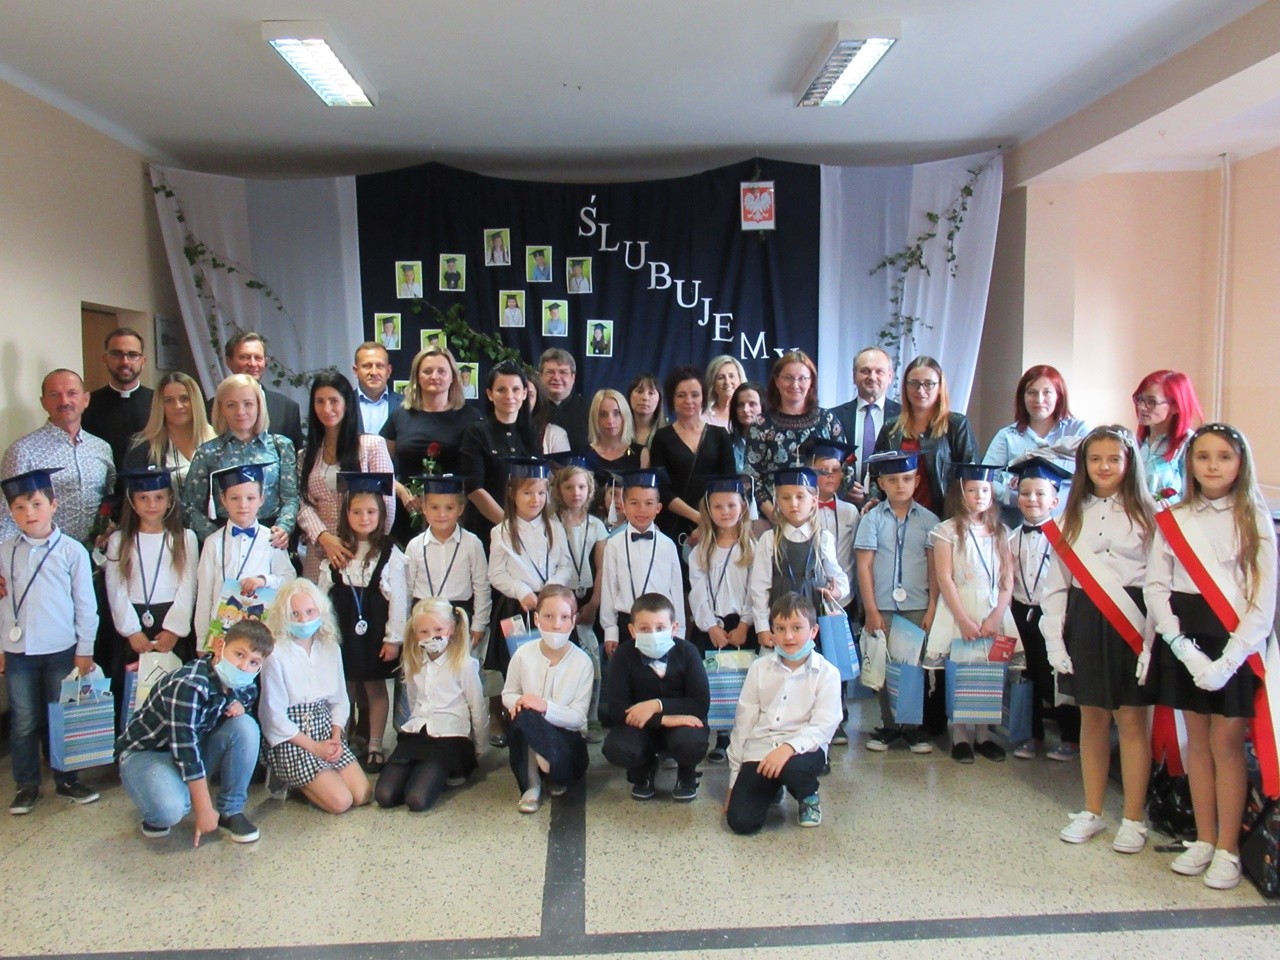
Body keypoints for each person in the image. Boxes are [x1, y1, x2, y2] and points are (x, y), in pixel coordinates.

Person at [1145, 423, 1277, 890]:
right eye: (1203, 457)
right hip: (1187, 639)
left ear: (1240, 463)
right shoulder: (1175, 517)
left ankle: (1227, 849)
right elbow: (1156, 586)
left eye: (1224, 457)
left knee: (1226, 745)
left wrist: (1228, 660)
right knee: (1195, 744)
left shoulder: (1253, 518)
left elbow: (1263, 600)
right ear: (1190, 463)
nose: (1213, 466)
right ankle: (1202, 838)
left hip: (1234, 642)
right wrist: (1181, 646)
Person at [1041, 426, 1157, 854]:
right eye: (1095, 459)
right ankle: (1092, 810)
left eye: (1113, 459)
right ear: (1083, 465)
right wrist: (1054, 640)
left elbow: (1159, 582)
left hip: (1133, 620)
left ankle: (1134, 818)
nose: (1104, 467)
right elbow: (1056, 584)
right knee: (1092, 718)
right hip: (1086, 618)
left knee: (1131, 721)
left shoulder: (1150, 515)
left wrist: (1152, 641)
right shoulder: (1071, 515)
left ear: (1129, 463)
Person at [117, 619, 273, 843]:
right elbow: (186, 750)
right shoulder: (190, 685)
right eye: (239, 654)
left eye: (253, 662)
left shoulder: (243, 682)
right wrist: (204, 809)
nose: (243, 666)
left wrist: (239, 704)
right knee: (170, 810)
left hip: (190, 747)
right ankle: (157, 813)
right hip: (148, 752)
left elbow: (249, 694)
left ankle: (231, 810)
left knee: (245, 726)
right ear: (219, 646)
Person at [0, 467, 101, 814]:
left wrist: (85, 650)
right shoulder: (5, 551)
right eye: (19, 507)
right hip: (19, 651)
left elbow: (86, 605)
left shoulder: (72, 551)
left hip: (62, 650)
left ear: (53, 504)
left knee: (63, 716)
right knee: (24, 720)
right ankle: (26, 784)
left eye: (36, 504)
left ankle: (67, 779)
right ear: (10, 512)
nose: (29, 513)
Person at [725, 593, 841, 834]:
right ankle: (773, 785)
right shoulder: (759, 668)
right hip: (761, 748)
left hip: (803, 751)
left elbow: (824, 726)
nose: (788, 636)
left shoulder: (827, 673)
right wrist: (733, 783)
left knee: (794, 770)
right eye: (780, 628)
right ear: (772, 633)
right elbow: (743, 723)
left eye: (797, 628)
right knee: (741, 823)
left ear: (813, 631)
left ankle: (807, 795)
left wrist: (787, 749)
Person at [925, 463, 1018, 763]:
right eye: (972, 490)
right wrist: (963, 620)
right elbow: (944, 578)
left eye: (985, 490)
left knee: (990, 673)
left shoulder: (1000, 532)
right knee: (962, 672)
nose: (980, 496)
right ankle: (960, 735)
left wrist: (996, 616)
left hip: (992, 610)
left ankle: (983, 735)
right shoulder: (946, 531)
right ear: (960, 493)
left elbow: (1007, 580)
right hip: (959, 609)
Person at [259, 579, 371, 814]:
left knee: (362, 794)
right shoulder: (275, 654)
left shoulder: (330, 647)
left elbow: (339, 699)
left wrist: (336, 737)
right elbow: (274, 717)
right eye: (295, 614)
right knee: (341, 802)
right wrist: (314, 748)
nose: (304, 620)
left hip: (325, 729)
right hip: (294, 737)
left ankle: (319, 780)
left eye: (310, 612)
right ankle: (291, 780)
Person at [322, 473, 407, 773]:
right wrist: (322, 634)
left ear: (381, 514)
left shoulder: (391, 553)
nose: (364, 518)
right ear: (346, 514)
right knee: (343, 688)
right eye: (356, 511)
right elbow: (322, 596)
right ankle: (341, 741)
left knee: (374, 687)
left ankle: (374, 744)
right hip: (342, 632)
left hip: (374, 633)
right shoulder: (337, 550)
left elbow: (399, 599)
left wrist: (394, 638)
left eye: (371, 511)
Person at [855, 452, 939, 753]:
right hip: (884, 606)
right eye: (892, 480)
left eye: (906, 479)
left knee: (913, 668)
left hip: (917, 605)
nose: (900, 485)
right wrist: (871, 609)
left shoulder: (930, 521)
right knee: (885, 665)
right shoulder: (872, 519)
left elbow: (935, 568)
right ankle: (889, 726)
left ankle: (913, 728)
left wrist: (932, 607)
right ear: (881, 483)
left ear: (917, 481)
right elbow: (864, 566)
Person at [104, 467, 198, 723]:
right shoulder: (120, 540)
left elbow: (188, 586)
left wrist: (174, 630)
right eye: (143, 498)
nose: (152, 504)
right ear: (132, 501)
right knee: (133, 696)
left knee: (173, 694)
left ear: (170, 499)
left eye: (159, 497)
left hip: (170, 624)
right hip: (133, 626)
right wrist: (131, 631)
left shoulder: (184, 538)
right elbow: (116, 588)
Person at [375, 598, 487, 812]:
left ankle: (444, 771)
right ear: (415, 633)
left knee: (416, 799)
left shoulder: (465, 664)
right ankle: (420, 769)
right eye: (423, 632)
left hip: (450, 737)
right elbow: (412, 700)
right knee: (384, 795)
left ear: (451, 628)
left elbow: (477, 708)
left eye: (438, 630)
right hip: (418, 732)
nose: (431, 637)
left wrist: (478, 749)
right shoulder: (413, 661)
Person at [1005, 455, 1080, 762]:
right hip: (1021, 612)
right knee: (1028, 675)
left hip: (1055, 615)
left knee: (1057, 675)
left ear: (1055, 500)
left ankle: (1070, 737)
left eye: (1040, 493)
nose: (1031, 499)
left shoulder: (1066, 538)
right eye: (1025, 493)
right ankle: (1031, 734)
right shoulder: (1010, 538)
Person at [603, 592, 709, 802]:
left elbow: (700, 703)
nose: (653, 634)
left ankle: (686, 773)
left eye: (660, 628)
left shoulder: (688, 652)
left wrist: (656, 705)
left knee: (691, 742)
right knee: (617, 748)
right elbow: (617, 709)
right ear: (632, 630)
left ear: (674, 628)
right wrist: (664, 719)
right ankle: (644, 770)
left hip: (682, 726)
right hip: (640, 727)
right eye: (644, 629)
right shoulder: (622, 656)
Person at [296, 371, 395, 583]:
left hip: (363, 551)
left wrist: (371, 545)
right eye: (320, 401)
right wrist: (324, 537)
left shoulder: (371, 446)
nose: (327, 409)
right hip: (320, 550)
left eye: (334, 401)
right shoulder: (306, 455)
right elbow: (303, 503)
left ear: (347, 404)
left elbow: (387, 502)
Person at [502, 586, 593, 813]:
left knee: (533, 715)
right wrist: (522, 702)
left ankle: (552, 769)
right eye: (548, 616)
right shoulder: (523, 654)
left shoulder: (583, 662)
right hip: (530, 729)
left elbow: (578, 717)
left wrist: (545, 707)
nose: (556, 625)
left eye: (564, 617)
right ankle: (531, 786)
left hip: (566, 739)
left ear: (573, 620)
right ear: (536, 618)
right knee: (526, 717)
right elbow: (508, 693)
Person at [182, 374, 299, 548]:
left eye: (248, 404)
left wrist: (283, 528)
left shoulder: (281, 446)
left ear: (259, 405)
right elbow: (190, 506)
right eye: (231, 405)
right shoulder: (208, 452)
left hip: (270, 538)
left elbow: (291, 498)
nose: (240, 411)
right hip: (223, 540)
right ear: (221, 408)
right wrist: (215, 538)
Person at [0, 370, 114, 544]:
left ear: (86, 399)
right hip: (43, 554)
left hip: (94, 553)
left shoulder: (101, 448)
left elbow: (109, 500)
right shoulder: (22, 451)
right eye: (54, 395)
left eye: (72, 393)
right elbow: (6, 516)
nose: (64, 401)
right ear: (43, 402)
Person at [688, 475, 756, 762]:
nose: (725, 512)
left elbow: (755, 590)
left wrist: (745, 624)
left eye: (731, 505)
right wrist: (711, 626)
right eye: (717, 506)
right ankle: (721, 735)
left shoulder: (752, 548)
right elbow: (698, 593)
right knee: (714, 683)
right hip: (712, 628)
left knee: (742, 683)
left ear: (743, 507)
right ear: (708, 510)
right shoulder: (701, 551)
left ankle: (744, 735)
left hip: (742, 627)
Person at [381, 347, 482, 542]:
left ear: (452, 377)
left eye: (441, 371)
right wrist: (402, 492)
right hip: (409, 512)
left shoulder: (471, 417)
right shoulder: (400, 415)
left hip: (455, 514)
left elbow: (478, 473)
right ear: (417, 377)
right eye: (427, 371)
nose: (434, 376)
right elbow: (380, 467)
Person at [486, 458, 571, 680]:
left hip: (552, 605)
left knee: (553, 667)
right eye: (527, 493)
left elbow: (566, 565)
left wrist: (552, 588)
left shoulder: (556, 528)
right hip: (516, 608)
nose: (536, 499)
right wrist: (521, 590)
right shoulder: (501, 532)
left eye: (541, 493)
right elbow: (496, 573)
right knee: (517, 668)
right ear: (512, 493)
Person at [192, 464, 295, 647]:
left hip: (263, 631)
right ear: (223, 499)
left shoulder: (272, 539)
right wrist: (201, 640)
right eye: (234, 498)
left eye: (250, 498)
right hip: (222, 632)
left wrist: (264, 580)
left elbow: (289, 579)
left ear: (261, 499)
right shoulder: (213, 543)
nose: (243, 505)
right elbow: (204, 594)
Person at [748, 468, 849, 650]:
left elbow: (839, 578)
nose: (793, 503)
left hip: (814, 623)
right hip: (780, 621)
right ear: (777, 501)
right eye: (785, 498)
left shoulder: (823, 539)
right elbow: (759, 587)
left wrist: (837, 592)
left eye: (800, 497)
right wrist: (762, 627)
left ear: (814, 500)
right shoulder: (769, 539)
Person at [744, 351, 846, 521]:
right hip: (774, 517)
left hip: (822, 516)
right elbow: (751, 478)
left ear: (811, 382)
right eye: (788, 378)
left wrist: (824, 508)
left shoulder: (827, 420)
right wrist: (775, 516)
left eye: (802, 378)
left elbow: (845, 469)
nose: (795, 384)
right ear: (777, 381)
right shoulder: (762, 424)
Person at [983, 365, 1088, 528]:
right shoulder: (1007, 436)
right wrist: (1019, 497)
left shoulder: (1078, 431)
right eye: (1032, 392)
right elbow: (986, 479)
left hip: (1069, 527)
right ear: (1022, 397)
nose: (1039, 400)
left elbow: (1090, 472)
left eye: (1047, 392)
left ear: (1059, 395)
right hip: (1018, 529)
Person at [873, 355, 976, 520]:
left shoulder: (956, 425)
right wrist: (874, 498)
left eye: (928, 384)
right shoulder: (891, 428)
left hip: (943, 519)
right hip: (896, 519)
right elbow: (875, 474)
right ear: (905, 387)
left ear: (940, 387)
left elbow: (971, 477)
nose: (920, 390)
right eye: (914, 383)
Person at [806, 438, 859, 744]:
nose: (829, 476)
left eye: (835, 470)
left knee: (838, 658)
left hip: (842, 597)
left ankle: (838, 715)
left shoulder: (851, 512)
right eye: (822, 470)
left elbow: (854, 554)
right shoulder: (802, 508)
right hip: (811, 596)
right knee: (815, 658)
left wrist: (844, 588)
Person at [551, 460, 608, 742]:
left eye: (582, 487)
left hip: (587, 601)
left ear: (590, 490)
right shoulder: (550, 523)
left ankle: (591, 714)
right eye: (569, 487)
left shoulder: (596, 525)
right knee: (561, 659)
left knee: (591, 657)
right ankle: (561, 713)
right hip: (560, 600)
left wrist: (595, 603)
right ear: (558, 490)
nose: (576, 493)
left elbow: (602, 567)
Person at [648, 366, 737, 546]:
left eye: (695, 395)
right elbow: (661, 489)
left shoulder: (720, 435)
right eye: (681, 395)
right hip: (672, 524)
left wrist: (709, 520)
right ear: (672, 399)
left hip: (715, 523)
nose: (688, 400)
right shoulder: (662, 437)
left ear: (703, 397)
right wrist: (698, 518)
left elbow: (728, 483)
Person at [600, 470, 684, 657]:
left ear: (658, 508)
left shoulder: (667, 545)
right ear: (624, 505)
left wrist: (680, 633)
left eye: (649, 503)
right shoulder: (614, 544)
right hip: (626, 624)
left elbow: (676, 590)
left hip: (660, 626)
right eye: (634, 503)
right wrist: (610, 630)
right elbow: (609, 589)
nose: (641, 510)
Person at [459, 361, 539, 544]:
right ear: (489, 394)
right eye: (501, 390)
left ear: (524, 393)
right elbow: (474, 490)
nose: (509, 396)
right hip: (487, 529)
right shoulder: (476, 431)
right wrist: (509, 526)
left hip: (526, 529)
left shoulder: (530, 434)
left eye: (516, 390)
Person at [123, 372, 216, 496]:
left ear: (195, 401)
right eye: (169, 400)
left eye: (184, 398)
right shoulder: (142, 447)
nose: (177, 406)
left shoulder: (217, 439)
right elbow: (133, 497)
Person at [830, 347, 900, 504]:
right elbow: (825, 463)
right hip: (844, 506)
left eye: (879, 371)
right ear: (854, 376)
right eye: (865, 371)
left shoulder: (904, 417)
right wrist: (842, 487)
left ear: (890, 376)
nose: (872, 377)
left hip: (891, 506)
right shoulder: (833, 417)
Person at [82, 327, 154, 472]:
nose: (125, 361)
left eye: (133, 355)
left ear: (143, 361)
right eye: (116, 354)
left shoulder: (158, 401)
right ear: (105, 358)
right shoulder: (87, 403)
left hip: (149, 484)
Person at [219, 332, 303, 452]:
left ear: (265, 361)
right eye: (245, 357)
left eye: (258, 358)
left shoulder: (287, 408)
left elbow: (296, 458)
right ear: (229, 361)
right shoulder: (211, 408)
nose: (253, 364)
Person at [1133, 369, 1204, 504]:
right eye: (1139, 399)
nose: (1141, 407)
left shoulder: (1190, 445)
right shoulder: (1134, 443)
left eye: (1151, 402)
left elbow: (1196, 497)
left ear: (1176, 406)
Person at [539, 349, 590, 452]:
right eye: (550, 372)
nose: (556, 378)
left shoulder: (589, 410)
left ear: (573, 377)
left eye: (563, 372)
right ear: (540, 376)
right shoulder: (532, 410)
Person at [585, 388, 644, 478]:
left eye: (616, 413)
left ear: (625, 415)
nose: (610, 420)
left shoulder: (640, 454)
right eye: (603, 414)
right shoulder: (584, 455)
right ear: (595, 418)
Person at [352, 342, 403, 437]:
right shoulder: (344, 403)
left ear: (388, 371)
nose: (374, 372)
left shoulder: (406, 405)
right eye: (367, 366)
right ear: (356, 371)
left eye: (379, 366)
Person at [728, 381, 764, 476]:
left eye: (752, 404)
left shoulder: (774, 442)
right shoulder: (727, 443)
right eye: (740, 405)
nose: (745, 410)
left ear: (762, 406)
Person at [703, 355, 746, 430]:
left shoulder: (749, 412)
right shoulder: (702, 415)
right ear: (713, 384)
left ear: (740, 379)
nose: (727, 382)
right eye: (721, 378)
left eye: (731, 376)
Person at [627, 372, 665, 452]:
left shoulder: (668, 435)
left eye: (651, 393)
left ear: (659, 399)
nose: (645, 398)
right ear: (630, 396)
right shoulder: (618, 432)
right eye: (639, 391)